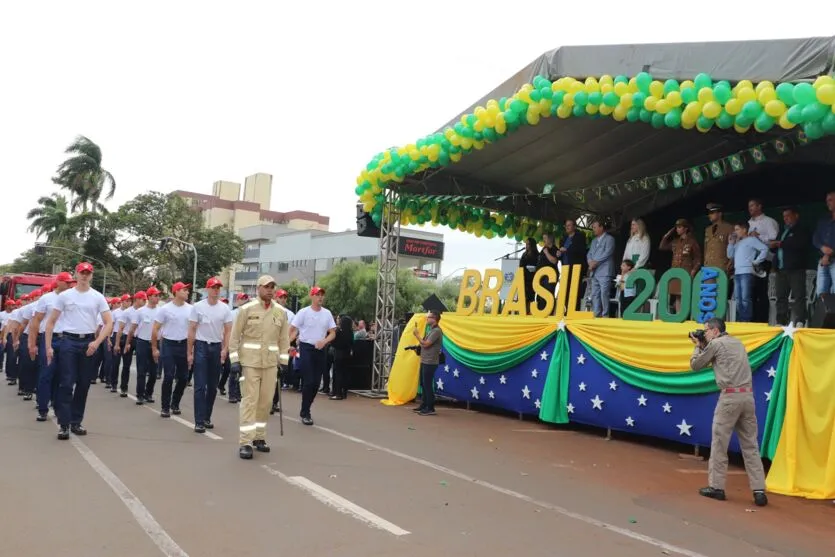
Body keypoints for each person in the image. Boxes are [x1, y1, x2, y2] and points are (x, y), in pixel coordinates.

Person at [689, 317, 768, 507]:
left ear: (715, 331)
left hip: (730, 398)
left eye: (707, 330)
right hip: (747, 397)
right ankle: (759, 490)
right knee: (750, 445)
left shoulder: (715, 344)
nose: (705, 333)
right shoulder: (738, 343)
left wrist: (698, 345)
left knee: (719, 443)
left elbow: (695, 364)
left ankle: (716, 487)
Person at [45, 262, 113, 440]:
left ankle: (76, 421)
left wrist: (97, 342)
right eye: (81, 272)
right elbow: (51, 322)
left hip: (89, 343)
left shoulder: (97, 297)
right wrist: (48, 347)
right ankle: (64, 424)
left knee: (84, 384)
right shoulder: (66, 296)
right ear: (76, 274)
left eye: (87, 273)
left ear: (91, 275)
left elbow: (109, 323)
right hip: (68, 341)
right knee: (66, 383)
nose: (84, 275)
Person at [228, 275, 290, 459]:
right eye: (266, 287)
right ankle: (245, 441)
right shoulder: (246, 309)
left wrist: (284, 362)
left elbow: (284, 339)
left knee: (265, 403)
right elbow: (234, 338)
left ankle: (259, 438)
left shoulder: (280, 312)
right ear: (258, 289)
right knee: (249, 402)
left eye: (272, 287)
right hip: (250, 363)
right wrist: (234, 360)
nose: (270, 290)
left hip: (270, 364)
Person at [187, 277, 233, 433]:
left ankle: (207, 416)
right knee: (200, 385)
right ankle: (199, 420)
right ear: (207, 289)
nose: (216, 290)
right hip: (201, 346)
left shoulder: (225, 308)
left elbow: (228, 331)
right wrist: (190, 352)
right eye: (213, 287)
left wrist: (225, 349)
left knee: (212, 387)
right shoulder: (198, 307)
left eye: (218, 287)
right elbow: (192, 329)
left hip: (216, 347)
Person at [28, 273, 74, 421]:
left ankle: (57, 406)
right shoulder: (46, 299)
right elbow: (36, 321)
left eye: (70, 282)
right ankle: (42, 408)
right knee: (46, 375)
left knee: (63, 376)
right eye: (66, 282)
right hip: (49, 339)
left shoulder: (72, 298)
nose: (69, 284)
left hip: (67, 340)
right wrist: (32, 343)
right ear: (58, 282)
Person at [290, 286, 336, 426]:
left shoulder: (327, 313)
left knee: (316, 383)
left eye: (322, 295)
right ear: (312, 296)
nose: (320, 297)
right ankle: (305, 412)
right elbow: (292, 329)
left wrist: (324, 341)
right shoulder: (304, 312)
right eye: (317, 295)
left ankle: (307, 407)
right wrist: (288, 343)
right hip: (306, 348)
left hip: (320, 348)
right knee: (309, 380)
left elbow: (333, 332)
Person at [152, 281, 192, 418]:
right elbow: (156, 328)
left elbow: (194, 329)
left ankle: (175, 402)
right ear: (176, 291)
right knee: (168, 376)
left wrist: (191, 350)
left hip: (184, 345)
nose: (187, 292)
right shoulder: (165, 309)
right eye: (184, 290)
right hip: (168, 344)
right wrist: (154, 348)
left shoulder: (190, 309)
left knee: (183, 378)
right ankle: (165, 407)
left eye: (187, 290)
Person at [126, 286, 162, 404]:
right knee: (141, 371)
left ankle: (149, 393)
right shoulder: (140, 312)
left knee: (153, 372)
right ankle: (140, 394)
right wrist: (128, 343)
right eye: (155, 295)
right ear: (149, 297)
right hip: (142, 343)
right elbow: (132, 329)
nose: (157, 298)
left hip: (155, 343)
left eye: (158, 296)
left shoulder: (161, 311)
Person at [727, 222, 769, 323]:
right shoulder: (737, 243)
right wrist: (731, 243)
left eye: (737, 229)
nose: (735, 232)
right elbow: (729, 255)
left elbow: (764, 248)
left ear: (744, 230)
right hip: (737, 273)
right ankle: (740, 318)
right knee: (738, 297)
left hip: (747, 272)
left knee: (745, 297)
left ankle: (746, 319)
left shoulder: (751, 240)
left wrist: (756, 261)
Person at [412, 310, 444, 416]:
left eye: (429, 317)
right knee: (423, 383)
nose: (427, 318)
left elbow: (426, 344)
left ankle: (430, 408)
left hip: (430, 362)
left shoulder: (436, 331)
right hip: (425, 360)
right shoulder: (431, 330)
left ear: (434, 319)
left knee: (427, 384)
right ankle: (424, 404)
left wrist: (417, 335)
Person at [586, 220, 616, 318]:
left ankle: (605, 315)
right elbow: (589, 253)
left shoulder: (609, 239)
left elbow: (608, 253)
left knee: (604, 293)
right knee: (595, 294)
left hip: (605, 271)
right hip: (594, 272)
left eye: (594, 227)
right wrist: (590, 261)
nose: (593, 229)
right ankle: (596, 314)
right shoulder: (594, 241)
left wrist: (595, 262)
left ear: (601, 227)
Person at [329, 315, 354, 400]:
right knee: (345, 373)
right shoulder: (351, 332)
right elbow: (352, 343)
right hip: (347, 354)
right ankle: (344, 393)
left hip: (339, 354)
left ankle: (338, 393)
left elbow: (333, 342)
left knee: (338, 373)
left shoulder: (339, 331)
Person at [518, 238, 539, 308]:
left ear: (532, 245)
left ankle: (529, 311)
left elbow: (538, 265)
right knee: (522, 296)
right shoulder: (524, 254)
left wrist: (534, 268)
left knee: (530, 297)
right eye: (526, 244)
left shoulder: (537, 254)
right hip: (524, 278)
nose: (526, 246)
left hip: (532, 278)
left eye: (528, 244)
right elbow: (520, 265)